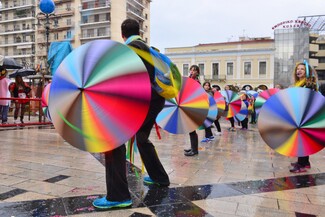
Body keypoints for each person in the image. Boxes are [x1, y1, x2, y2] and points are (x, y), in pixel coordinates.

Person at [92, 19, 170, 209]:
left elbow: (123, 80)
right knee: (141, 138)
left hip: (138, 102)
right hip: (155, 100)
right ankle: (159, 177)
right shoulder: (148, 48)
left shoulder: (128, 50)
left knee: (114, 141)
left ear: (122, 34)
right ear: (139, 31)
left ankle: (118, 195)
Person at [290, 62, 319, 173]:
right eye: (298, 69)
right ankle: (305, 162)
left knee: (301, 139)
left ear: (307, 71)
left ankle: (301, 164)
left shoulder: (308, 84)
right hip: (300, 113)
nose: (299, 71)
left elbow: (307, 99)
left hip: (305, 114)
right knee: (302, 138)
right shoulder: (300, 83)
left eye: (302, 69)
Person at [184, 65, 201, 157]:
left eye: (194, 70)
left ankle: (194, 150)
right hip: (188, 105)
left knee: (191, 128)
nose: (192, 71)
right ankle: (193, 147)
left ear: (197, 72)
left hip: (192, 106)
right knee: (190, 129)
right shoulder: (189, 79)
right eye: (191, 70)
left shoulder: (197, 82)